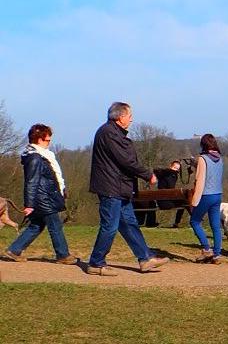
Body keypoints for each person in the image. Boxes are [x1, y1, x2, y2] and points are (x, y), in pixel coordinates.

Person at [86, 102, 169, 276]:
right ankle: (96, 262)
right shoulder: (109, 133)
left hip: (120, 188)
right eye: (129, 116)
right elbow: (126, 160)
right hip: (111, 188)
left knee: (129, 224)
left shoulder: (112, 133)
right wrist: (148, 174)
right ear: (120, 117)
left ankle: (145, 258)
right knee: (110, 226)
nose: (131, 120)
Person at [2, 124, 77, 265]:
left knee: (36, 225)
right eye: (47, 140)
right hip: (44, 198)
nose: (49, 142)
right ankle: (63, 255)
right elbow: (31, 182)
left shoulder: (38, 156)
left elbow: (50, 177)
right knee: (55, 226)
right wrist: (29, 204)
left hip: (44, 196)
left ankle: (14, 250)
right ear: (39, 139)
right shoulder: (35, 158)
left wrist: (62, 189)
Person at [188, 134, 226, 264]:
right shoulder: (220, 159)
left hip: (205, 195)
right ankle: (217, 255)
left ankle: (206, 249)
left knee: (194, 221)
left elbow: (200, 180)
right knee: (215, 226)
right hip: (217, 194)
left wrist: (194, 201)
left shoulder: (203, 159)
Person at [135, 160, 184, 228]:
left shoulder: (162, 174)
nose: (176, 170)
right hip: (165, 202)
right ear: (171, 167)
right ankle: (177, 223)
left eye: (177, 169)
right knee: (184, 203)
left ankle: (176, 223)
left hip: (159, 200)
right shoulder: (172, 175)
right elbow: (171, 188)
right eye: (175, 168)